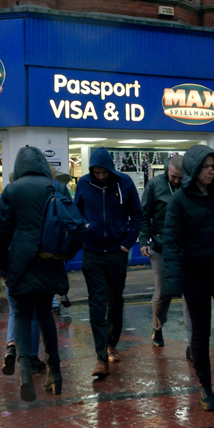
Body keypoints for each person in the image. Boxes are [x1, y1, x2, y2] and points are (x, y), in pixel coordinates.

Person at [163, 145, 214, 412]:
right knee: (200, 333)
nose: (211, 170)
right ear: (194, 169)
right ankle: (205, 387)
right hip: (194, 274)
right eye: (206, 166)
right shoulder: (179, 201)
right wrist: (172, 282)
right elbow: (172, 243)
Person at [0, 146, 71, 401]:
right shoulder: (55, 187)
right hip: (49, 257)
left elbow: (0, 232)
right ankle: (55, 374)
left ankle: (25, 371)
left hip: (21, 259)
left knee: (23, 315)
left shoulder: (12, 190)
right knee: (46, 315)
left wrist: (3, 263)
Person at [74, 147, 142, 377]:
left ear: (110, 170)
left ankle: (112, 342)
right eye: (96, 172)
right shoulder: (83, 184)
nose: (100, 176)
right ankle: (101, 356)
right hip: (92, 252)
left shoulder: (124, 183)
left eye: (104, 172)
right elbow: (77, 211)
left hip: (116, 251)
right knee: (97, 303)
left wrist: (127, 243)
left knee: (116, 301)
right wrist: (84, 225)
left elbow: (137, 214)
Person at [139, 154, 192, 351]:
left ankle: (192, 343)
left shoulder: (189, 186)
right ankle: (157, 328)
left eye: (180, 177)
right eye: (173, 177)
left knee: (190, 295)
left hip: (184, 247)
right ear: (166, 171)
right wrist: (143, 241)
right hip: (160, 246)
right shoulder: (154, 185)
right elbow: (144, 214)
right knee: (163, 294)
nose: (177, 181)